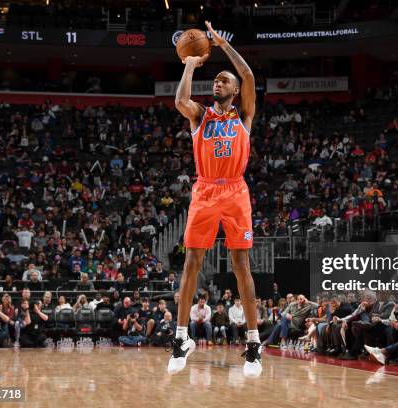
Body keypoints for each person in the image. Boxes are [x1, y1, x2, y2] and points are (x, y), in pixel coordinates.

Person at [167, 21, 261, 377]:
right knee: (191, 262)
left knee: (241, 265)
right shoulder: (201, 116)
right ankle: (181, 339)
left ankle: (253, 344)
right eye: (216, 80)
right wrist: (190, 64)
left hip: (235, 190)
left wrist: (222, 46)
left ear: (235, 91)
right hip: (205, 190)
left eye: (224, 81)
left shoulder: (244, 115)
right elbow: (179, 100)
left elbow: (248, 73)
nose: (217, 83)